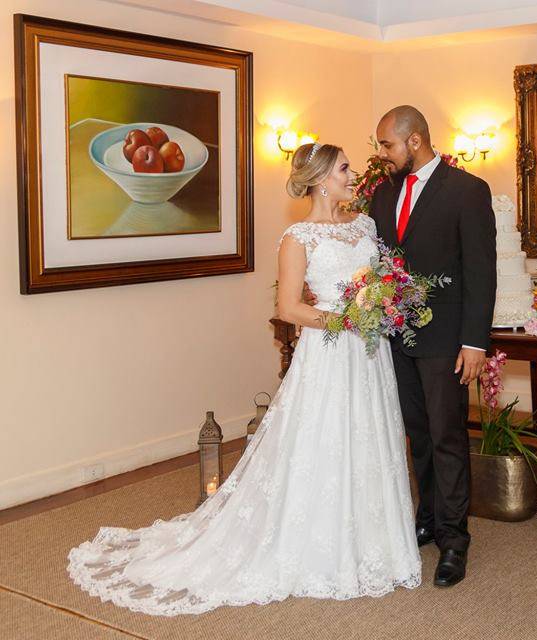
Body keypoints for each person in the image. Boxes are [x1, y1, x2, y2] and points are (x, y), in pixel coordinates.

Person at [66, 143, 421, 616]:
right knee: (323, 439)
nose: (352, 174)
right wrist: (344, 321)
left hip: (369, 355)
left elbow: (378, 279)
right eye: (343, 168)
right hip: (332, 350)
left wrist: (381, 303)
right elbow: (288, 307)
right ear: (319, 179)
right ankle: (319, 546)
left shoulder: (365, 225)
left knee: (370, 437)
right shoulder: (299, 238)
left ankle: (376, 544)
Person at [370, 105, 496, 587]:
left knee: (447, 436)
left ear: (415, 141)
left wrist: (474, 343)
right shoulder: (382, 195)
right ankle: (426, 516)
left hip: (447, 340)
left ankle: (454, 538)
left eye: (387, 145)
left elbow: (481, 272)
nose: (382, 154)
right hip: (397, 338)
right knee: (416, 434)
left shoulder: (467, 191)